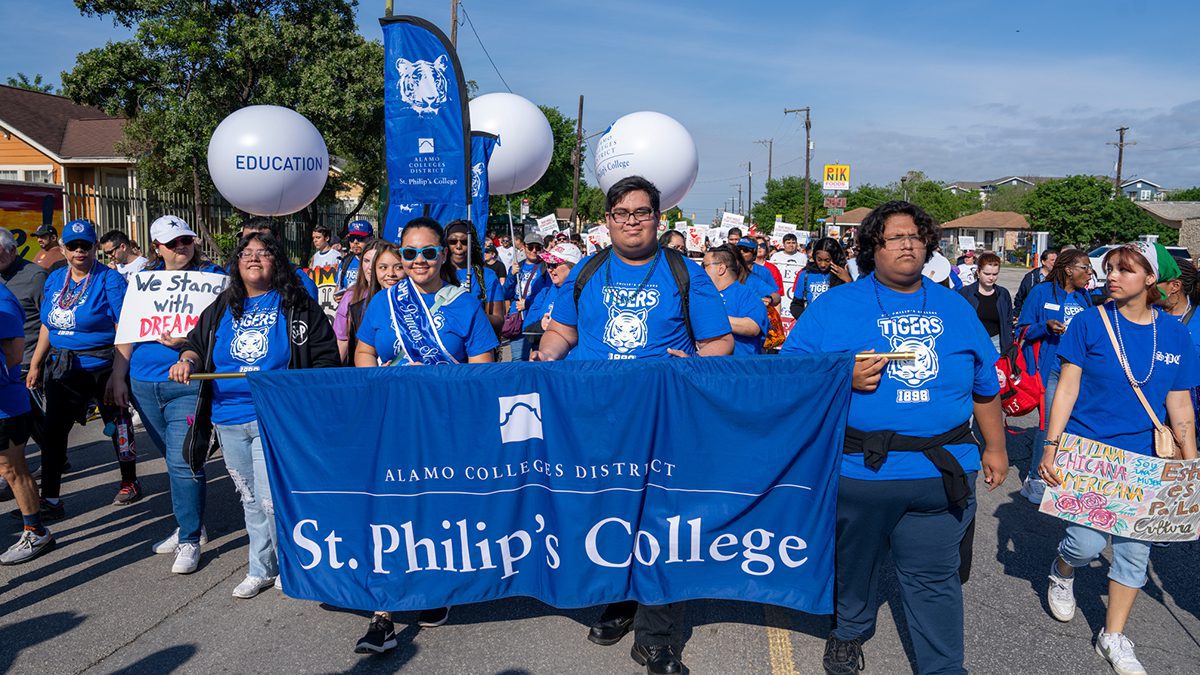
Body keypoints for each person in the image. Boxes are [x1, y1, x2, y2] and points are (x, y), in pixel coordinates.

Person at [781, 200, 1008, 675]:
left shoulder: (956, 306)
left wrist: (996, 448)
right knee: (855, 563)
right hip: (859, 471)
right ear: (871, 247)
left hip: (940, 470)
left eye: (916, 236)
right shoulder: (835, 306)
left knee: (934, 578)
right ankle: (848, 630)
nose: (907, 244)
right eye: (894, 237)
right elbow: (789, 376)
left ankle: (944, 668)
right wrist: (841, 375)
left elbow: (985, 388)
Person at [534, 176, 733, 675]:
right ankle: (622, 602)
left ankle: (658, 639)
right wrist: (547, 356)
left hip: (665, 420)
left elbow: (719, 344)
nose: (631, 222)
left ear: (657, 218)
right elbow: (562, 330)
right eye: (621, 213)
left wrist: (688, 361)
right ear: (607, 220)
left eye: (641, 213)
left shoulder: (686, 273)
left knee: (661, 521)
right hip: (598, 419)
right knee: (611, 514)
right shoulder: (587, 270)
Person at [1038, 242, 1198, 675]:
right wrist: (1050, 445)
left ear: (1151, 280)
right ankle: (1063, 568)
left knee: (1133, 552)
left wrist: (1190, 461)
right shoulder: (1090, 323)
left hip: (1145, 459)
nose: (1111, 275)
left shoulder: (1175, 333)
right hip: (1090, 451)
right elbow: (1067, 387)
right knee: (1088, 542)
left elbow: (1179, 401)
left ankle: (1113, 636)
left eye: (1125, 270)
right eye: (1109, 268)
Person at [350, 217, 498, 653]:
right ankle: (384, 614)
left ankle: (433, 589)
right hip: (393, 423)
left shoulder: (464, 304)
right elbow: (364, 351)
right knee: (389, 512)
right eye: (410, 252)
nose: (418, 261)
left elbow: (483, 371)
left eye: (428, 252)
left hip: (444, 426)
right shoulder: (383, 303)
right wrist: (379, 382)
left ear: (443, 254)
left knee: (435, 511)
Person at [170, 232, 338, 598]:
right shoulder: (221, 306)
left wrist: (299, 391)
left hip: (274, 416)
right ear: (237, 263)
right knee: (248, 497)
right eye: (246, 253)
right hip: (228, 416)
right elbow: (196, 346)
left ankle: (291, 566)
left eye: (263, 253)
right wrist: (186, 360)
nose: (254, 258)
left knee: (270, 498)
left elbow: (325, 357)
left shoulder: (297, 305)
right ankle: (260, 568)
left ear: (276, 261)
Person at [108, 216, 219, 573]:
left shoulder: (213, 278)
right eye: (172, 243)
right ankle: (191, 525)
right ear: (157, 248)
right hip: (143, 381)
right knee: (172, 461)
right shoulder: (142, 282)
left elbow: (221, 327)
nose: (181, 247)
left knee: (183, 459)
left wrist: (187, 342)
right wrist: (119, 377)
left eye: (186, 240)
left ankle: (188, 538)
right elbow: (127, 330)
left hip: (189, 380)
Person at [24, 219, 138, 513]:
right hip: (62, 367)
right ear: (62, 249)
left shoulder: (108, 279)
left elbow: (123, 327)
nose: (79, 251)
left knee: (118, 424)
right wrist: (36, 364)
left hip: (102, 363)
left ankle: (129, 481)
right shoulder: (55, 278)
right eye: (73, 246)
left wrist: (118, 376)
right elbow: (49, 325)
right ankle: (49, 497)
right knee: (53, 430)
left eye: (85, 245)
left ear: (94, 247)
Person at [1016, 248, 1097, 504]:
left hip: (1078, 370)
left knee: (1073, 424)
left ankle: (1059, 472)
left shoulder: (1085, 297)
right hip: (1050, 368)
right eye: (1085, 267)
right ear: (1068, 269)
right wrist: (1045, 326)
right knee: (1050, 423)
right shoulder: (1041, 292)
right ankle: (1034, 479)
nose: (1089, 273)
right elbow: (1022, 330)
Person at [0, 283, 54, 565]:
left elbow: (14, 356)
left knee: (12, 469)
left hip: (5, 406)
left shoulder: (4, 302)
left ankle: (36, 531)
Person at [0, 228, 48, 460]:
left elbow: (48, 321)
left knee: (29, 418)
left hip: (26, 358)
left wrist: (38, 363)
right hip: (4, 362)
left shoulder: (35, 276)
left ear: (12, 250)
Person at [335, 241, 404, 365]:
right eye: (366, 261)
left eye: (398, 267)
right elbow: (343, 342)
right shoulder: (353, 300)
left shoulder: (416, 301)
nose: (391, 273)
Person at [704, 244, 769, 355]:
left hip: (739, 367)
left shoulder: (746, 294)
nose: (701, 270)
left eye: (704, 265)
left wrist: (710, 318)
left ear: (721, 269)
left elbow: (753, 327)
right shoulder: (703, 294)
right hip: (707, 366)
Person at [238, 217, 321, 301]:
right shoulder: (233, 276)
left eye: (261, 240)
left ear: (277, 240)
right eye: (246, 241)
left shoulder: (299, 280)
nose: (253, 257)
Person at [446, 221, 506, 334]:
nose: (458, 246)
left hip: (477, 345)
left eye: (464, 242)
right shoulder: (437, 274)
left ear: (472, 245)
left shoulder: (487, 275)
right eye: (453, 241)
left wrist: (473, 314)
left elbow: (498, 321)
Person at [504, 230, 552, 360]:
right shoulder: (517, 267)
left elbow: (548, 293)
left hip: (537, 321)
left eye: (538, 247)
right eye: (531, 247)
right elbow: (506, 293)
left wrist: (528, 303)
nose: (534, 250)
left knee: (539, 360)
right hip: (518, 321)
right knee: (518, 361)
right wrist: (511, 276)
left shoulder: (546, 268)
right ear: (524, 247)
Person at [958, 252, 1014, 353]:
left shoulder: (1003, 294)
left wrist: (1008, 343)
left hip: (996, 344)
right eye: (987, 274)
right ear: (978, 272)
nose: (991, 278)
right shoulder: (965, 293)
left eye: (995, 274)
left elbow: (1008, 321)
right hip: (972, 343)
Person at [790, 237, 851, 318]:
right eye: (819, 260)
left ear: (835, 257)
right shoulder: (806, 274)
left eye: (827, 260)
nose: (822, 264)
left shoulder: (845, 273)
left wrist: (848, 280)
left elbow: (852, 303)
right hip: (812, 325)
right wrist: (807, 319)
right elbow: (796, 305)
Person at [736, 238, 782, 306]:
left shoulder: (763, 272)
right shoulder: (729, 270)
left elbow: (776, 296)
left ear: (754, 254)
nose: (741, 252)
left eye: (745, 250)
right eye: (738, 249)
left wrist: (769, 299)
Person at [1015, 248, 1058, 318]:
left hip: (1050, 315)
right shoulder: (1031, 277)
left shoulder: (1059, 278)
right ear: (1043, 262)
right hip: (1031, 315)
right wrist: (1016, 313)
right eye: (1052, 260)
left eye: (1056, 260)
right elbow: (1020, 297)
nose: (1055, 263)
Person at [335, 220, 374, 294]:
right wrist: (337, 297)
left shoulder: (378, 262)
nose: (355, 242)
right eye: (352, 238)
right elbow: (337, 288)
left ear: (371, 239)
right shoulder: (345, 262)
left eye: (360, 238)